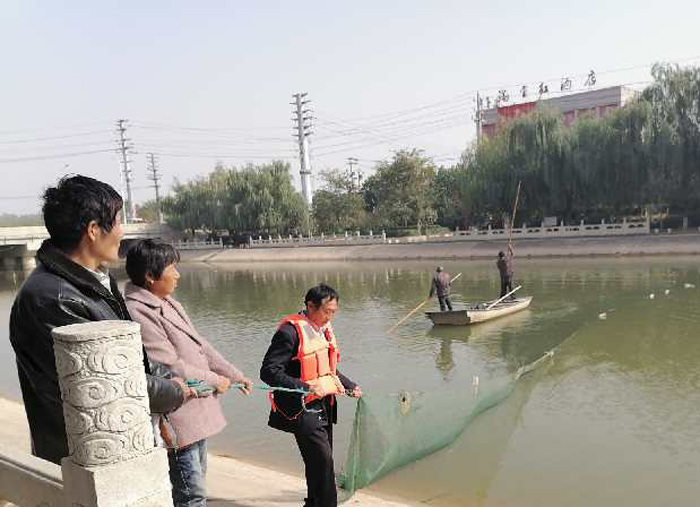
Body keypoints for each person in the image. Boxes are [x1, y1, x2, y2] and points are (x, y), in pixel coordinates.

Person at [9, 175, 186, 465]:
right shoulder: (54, 298)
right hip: (90, 461)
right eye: (117, 222)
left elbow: (128, 357)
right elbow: (109, 385)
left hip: (115, 447)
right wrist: (175, 391)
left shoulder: (92, 281)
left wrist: (165, 375)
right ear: (93, 230)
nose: (122, 231)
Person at [124, 239, 254, 507]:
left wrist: (234, 374)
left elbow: (200, 344)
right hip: (176, 415)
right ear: (150, 276)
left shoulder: (168, 302)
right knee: (190, 494)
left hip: (195, 413)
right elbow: (170, 364)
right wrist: (217, 380)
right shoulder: (138, 312)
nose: (178, 275)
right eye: (172, 268)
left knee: (196, 485)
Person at [260, 284, 361, 507]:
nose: (330, 317)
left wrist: (349, 385)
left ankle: (313, 503)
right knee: (324, 463)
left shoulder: (323, 329)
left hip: (325, 405)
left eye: (334, 312)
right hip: (301, 409)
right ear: (310, 306)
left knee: (318, 462)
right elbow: (268, 371)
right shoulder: (290, 332)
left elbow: (328, 368)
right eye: (327, 311)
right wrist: (305, 386)